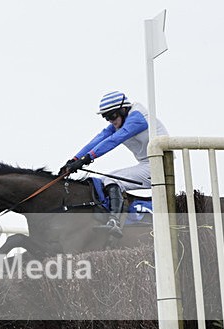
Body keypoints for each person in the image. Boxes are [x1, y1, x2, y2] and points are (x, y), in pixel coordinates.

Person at [60, 91, 168, 238]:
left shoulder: (137, 118)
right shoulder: (122, 119)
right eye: (106, 117)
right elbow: (100, 138)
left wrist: (87, 158)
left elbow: (114, 140)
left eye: (112, 116)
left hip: (159, 165)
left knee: (112, 179)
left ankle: (115, 221)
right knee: (107, 180)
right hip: (147, 164)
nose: (111, 121)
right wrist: (74, 160)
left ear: (124, 109)